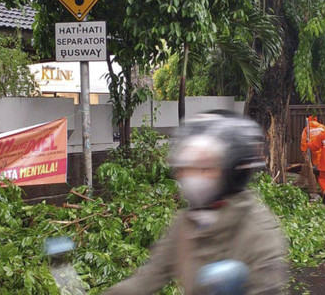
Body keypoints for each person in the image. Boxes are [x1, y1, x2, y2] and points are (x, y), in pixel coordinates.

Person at [104, 112, 287, 295]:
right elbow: (147, 278)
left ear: (232, 171)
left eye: (204, 168)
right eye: (186, 168)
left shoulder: (258, 233)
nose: (189, 177)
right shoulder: (187, 223)